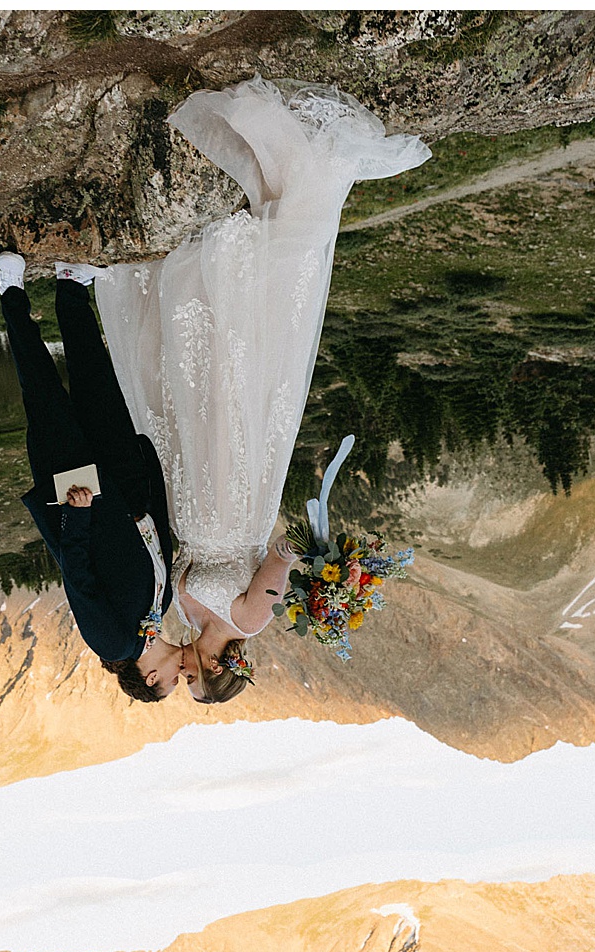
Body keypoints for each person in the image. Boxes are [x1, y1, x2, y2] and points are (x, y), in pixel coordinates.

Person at [94, 77, 430, 699]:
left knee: (183, 392)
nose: (185, 672)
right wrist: (325, 570)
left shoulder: (186, 618)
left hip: (191, 499)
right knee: (231, 383)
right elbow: (284, 549)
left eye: (181, 679)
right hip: (233, 499)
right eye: (196, 679)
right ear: (219, 668)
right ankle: (274, 188)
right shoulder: (251, 619)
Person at [0, 254, 183, 702]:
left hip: (82, 495)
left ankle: (11, 290)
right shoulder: (161, 608)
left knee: (43, 391)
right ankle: (70, 286)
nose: (182, 673)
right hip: (125, 482)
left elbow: (79, 579)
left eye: (176, 681)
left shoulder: (112, 643)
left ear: (151, 678)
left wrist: (77, 516)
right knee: (96, 381)